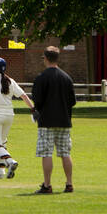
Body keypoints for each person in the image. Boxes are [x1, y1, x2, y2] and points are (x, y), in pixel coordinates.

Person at [0, 56, 34, 179]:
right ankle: (0, 172)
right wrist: (33, 109)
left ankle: (10, 161)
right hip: (9, 116)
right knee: (1, 144)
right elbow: (24, 96)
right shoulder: (10, 80)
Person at [31, 46, 76, 194]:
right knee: (65, 153)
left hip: (46, 122)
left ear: (46, 58)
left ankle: (47, 184)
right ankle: (69, 184)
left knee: (46, 153)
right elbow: (72, 101)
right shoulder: (66, 78)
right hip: (64, 120)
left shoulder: (41, 78)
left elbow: (37, 100)